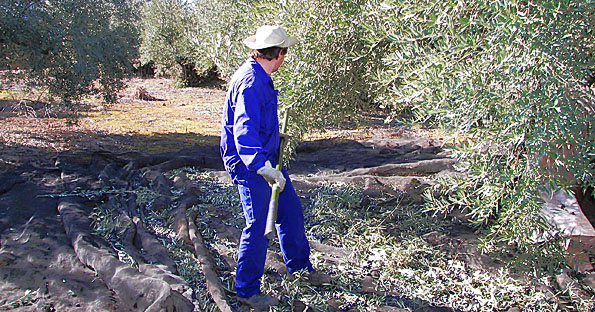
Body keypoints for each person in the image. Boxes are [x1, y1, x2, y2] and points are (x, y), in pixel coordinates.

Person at [220, 25, 329, 310]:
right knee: (257, 225)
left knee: (290, 211)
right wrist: (262, 167)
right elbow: (243, 132)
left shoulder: (260, 76)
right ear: (279, 53)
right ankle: (246, 290)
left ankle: (300, 269)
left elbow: (256, 123)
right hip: (250, 165)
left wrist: (274, 139)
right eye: (286, 53)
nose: (285, 57)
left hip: (266, 160)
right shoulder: (251, 82)